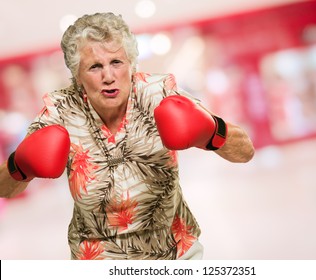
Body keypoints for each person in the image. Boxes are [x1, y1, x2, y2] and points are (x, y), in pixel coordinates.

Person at [0, 12, 254, 260]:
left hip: (175, 254)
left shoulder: (159, 93)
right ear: (77, 76)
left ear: (131, 64)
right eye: (95, 67)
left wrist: (212, 132)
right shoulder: (60, 111)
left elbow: (245, 152)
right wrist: (20, 165)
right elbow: (4, 189)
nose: (108, 76)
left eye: (116, 63)